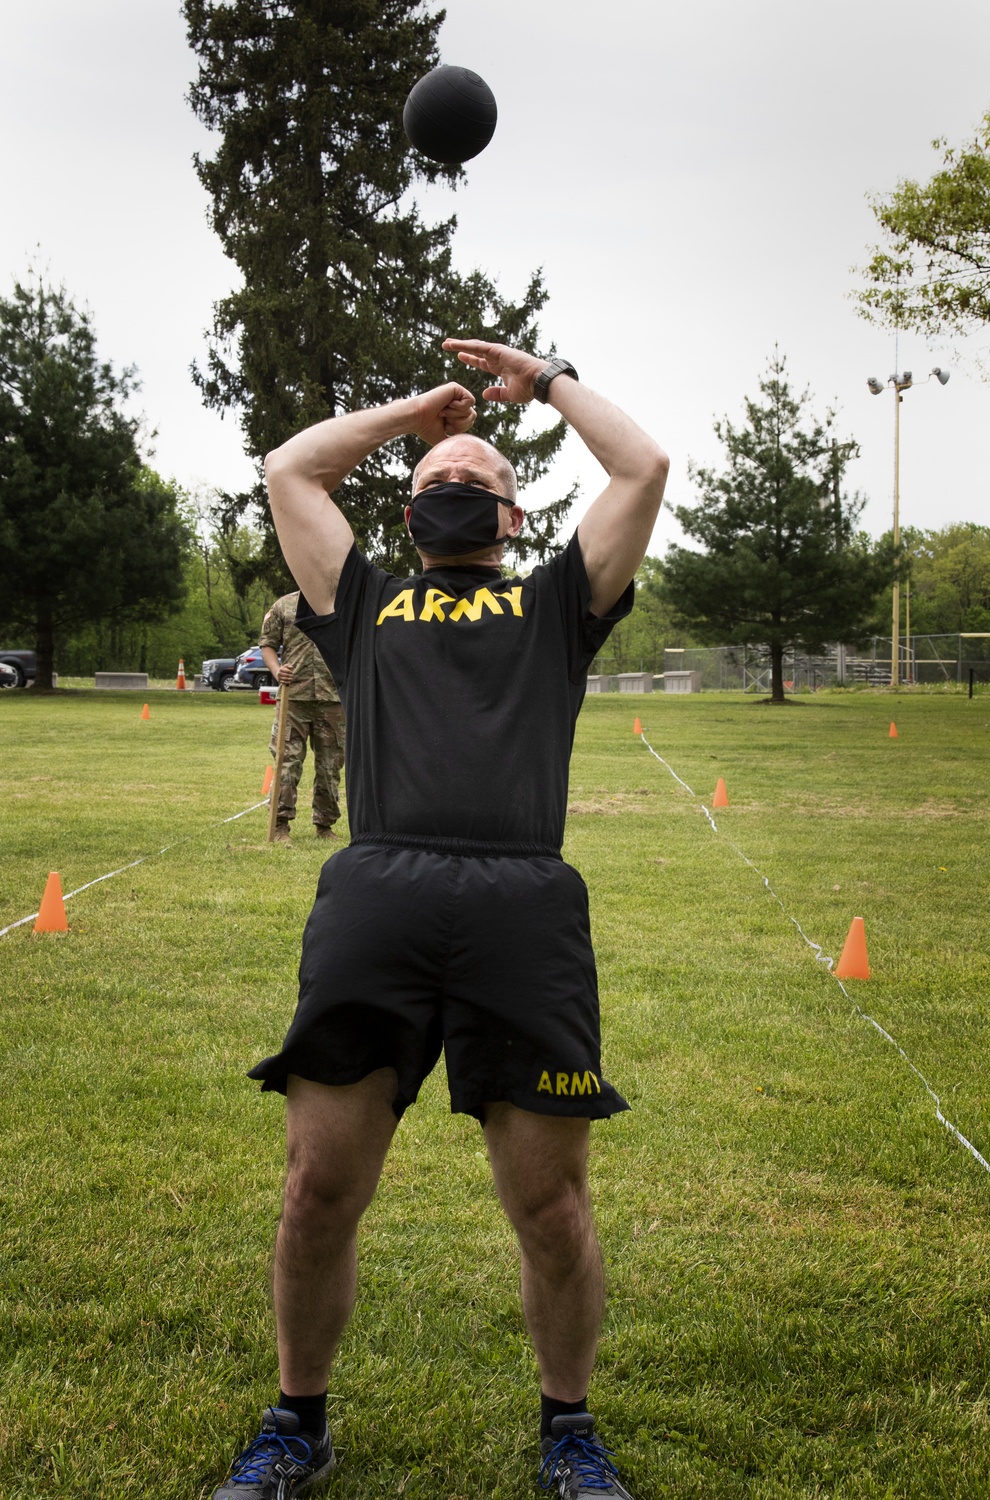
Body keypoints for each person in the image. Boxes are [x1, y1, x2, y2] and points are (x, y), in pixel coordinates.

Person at [212, 339, 669, 1500]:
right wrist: (416, 409)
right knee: (319, 1188)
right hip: (378, 895)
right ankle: (296, 1421)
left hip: (522, 905)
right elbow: (291, 471)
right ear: (412, 515)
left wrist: (546, 382)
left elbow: (643, 464)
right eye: (432, 477)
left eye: (476, 473)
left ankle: (568, 1430)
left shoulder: (558, 601)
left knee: (551, 1203)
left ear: (511, 516)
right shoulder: (358, 599)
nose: (451, 480)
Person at [259, 593, 345, 844]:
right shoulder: (283, 606)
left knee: (330, 766)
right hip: (294, 697)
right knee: (287, 763)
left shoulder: (342, 603)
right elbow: (267, 644)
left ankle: (325, 825)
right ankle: (279, 827)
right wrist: (277, 671)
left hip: (333, 698)